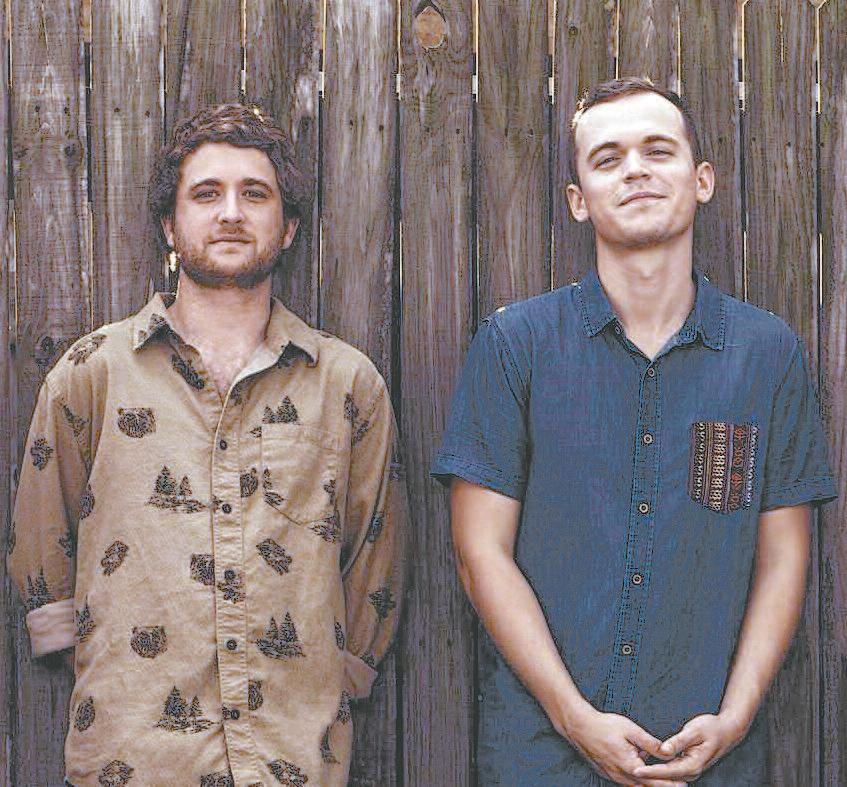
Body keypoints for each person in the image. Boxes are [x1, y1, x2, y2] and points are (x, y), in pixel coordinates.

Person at [432, 77, 836, 786]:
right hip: (540, 759)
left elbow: (782, 557)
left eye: (658, 150)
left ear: (702, 179)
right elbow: (480, 553)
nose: (635, 170)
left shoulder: (766, 354)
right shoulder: (515, 345)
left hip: (712, 760)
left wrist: (735, 717)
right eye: (607, 158)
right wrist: (573, 718)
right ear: (577, 200)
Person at [9, 103, 406, 787]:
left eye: (254, 193)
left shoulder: (346, 384)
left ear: (287, 227)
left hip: (294, 761)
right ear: (170, 225)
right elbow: (44, 547)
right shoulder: (92, 373)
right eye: (205, 193)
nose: (230, 212)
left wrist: (321, 681)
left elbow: (375, 558)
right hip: (130, 762)